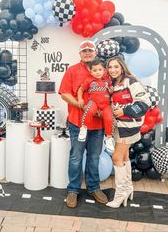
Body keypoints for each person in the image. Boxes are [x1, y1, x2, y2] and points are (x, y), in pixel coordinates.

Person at [59, 40, 108, 208]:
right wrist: (77, 103)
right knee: (76, 157)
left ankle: (94, 188)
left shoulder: (103, 71)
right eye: (84, 51)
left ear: (95, 53)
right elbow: (64, 93)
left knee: (94, 157)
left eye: (90, 50)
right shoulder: (72, 70)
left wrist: (105, 109)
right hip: (77, 123)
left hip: (98, 125)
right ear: (80, 54)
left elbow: (109, 93)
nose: (87, 53)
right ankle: (73, 190)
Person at [106, 55, 151, 208]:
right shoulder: (113, 83)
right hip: (119, 126)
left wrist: (124, 110)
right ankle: (128, 188)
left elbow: (145, 103)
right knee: (124, 157)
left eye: (116, 67)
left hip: (129, 127)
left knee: (116, 158)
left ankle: (120, 194)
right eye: (110, 67)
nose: (112, 70)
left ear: (122, 67)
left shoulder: (130, 81)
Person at [77, 58, 115, 152]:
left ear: (104, 71)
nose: (97, 72)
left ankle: (109, 138)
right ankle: (83, 128)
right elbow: (81, 89)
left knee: (109, 118)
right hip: (93, 102)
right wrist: (80, 99)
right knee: (89, 111)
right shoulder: (89, 80)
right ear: (90, 71)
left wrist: (111, 91)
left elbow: (110, 91)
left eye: (100, 70)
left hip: (105, 105)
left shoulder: (107, 80)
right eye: (95, 70)